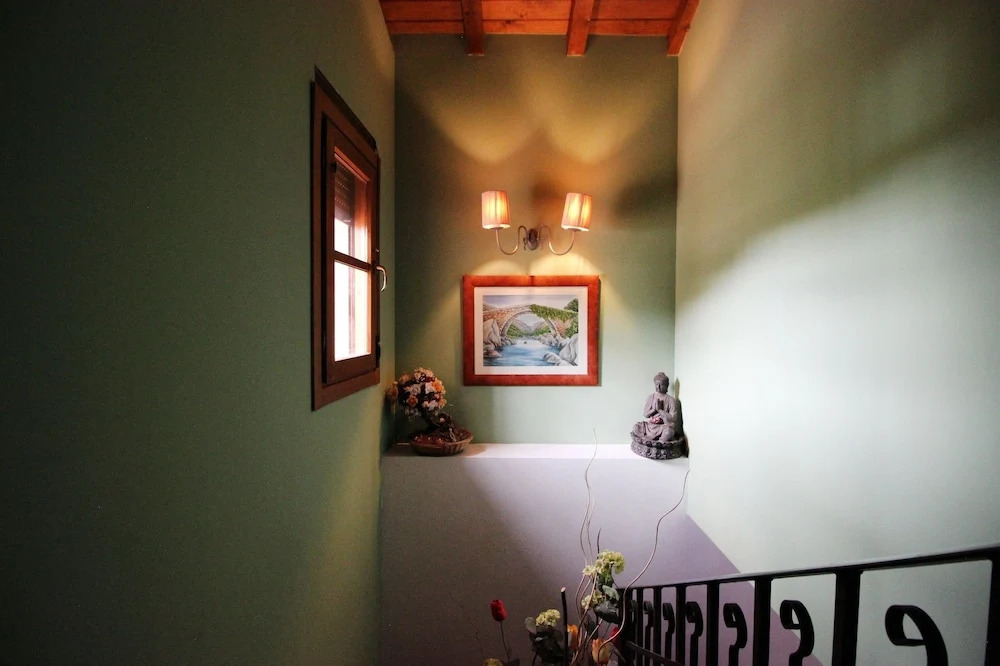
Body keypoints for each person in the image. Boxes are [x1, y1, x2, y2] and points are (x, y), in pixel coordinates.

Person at [631, 372, 683, 445]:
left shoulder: (671, 400)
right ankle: (650, 441)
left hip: (663, 426)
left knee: (669, 432)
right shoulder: (651, 397)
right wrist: (654, 410)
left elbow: (673, 418)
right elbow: (645, 414)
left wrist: (660, 410)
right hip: (650, 426)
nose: (658, 387)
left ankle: (659, 442)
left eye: (661, 385)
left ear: (667, 385)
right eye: (656, 384)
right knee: (636, 427)